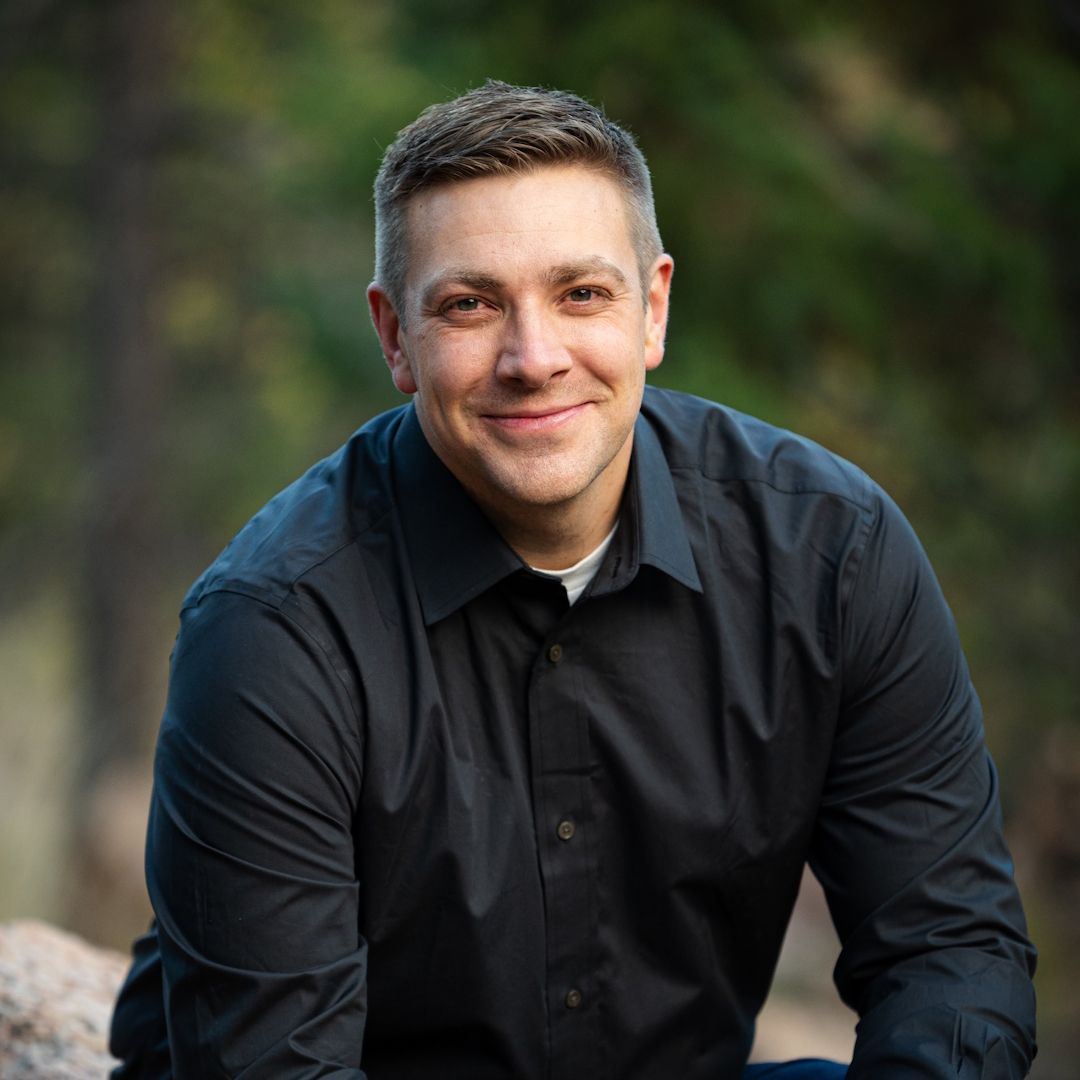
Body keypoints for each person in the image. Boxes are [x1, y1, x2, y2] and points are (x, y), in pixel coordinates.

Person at [109, 80, 1037, 1078]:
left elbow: (951, 955)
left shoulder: (830, 555)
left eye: (582, 294)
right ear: (394, 338)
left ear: (654, 309)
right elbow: (276, 1069)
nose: (533, 357)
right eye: (469, 305)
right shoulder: (275, 627)